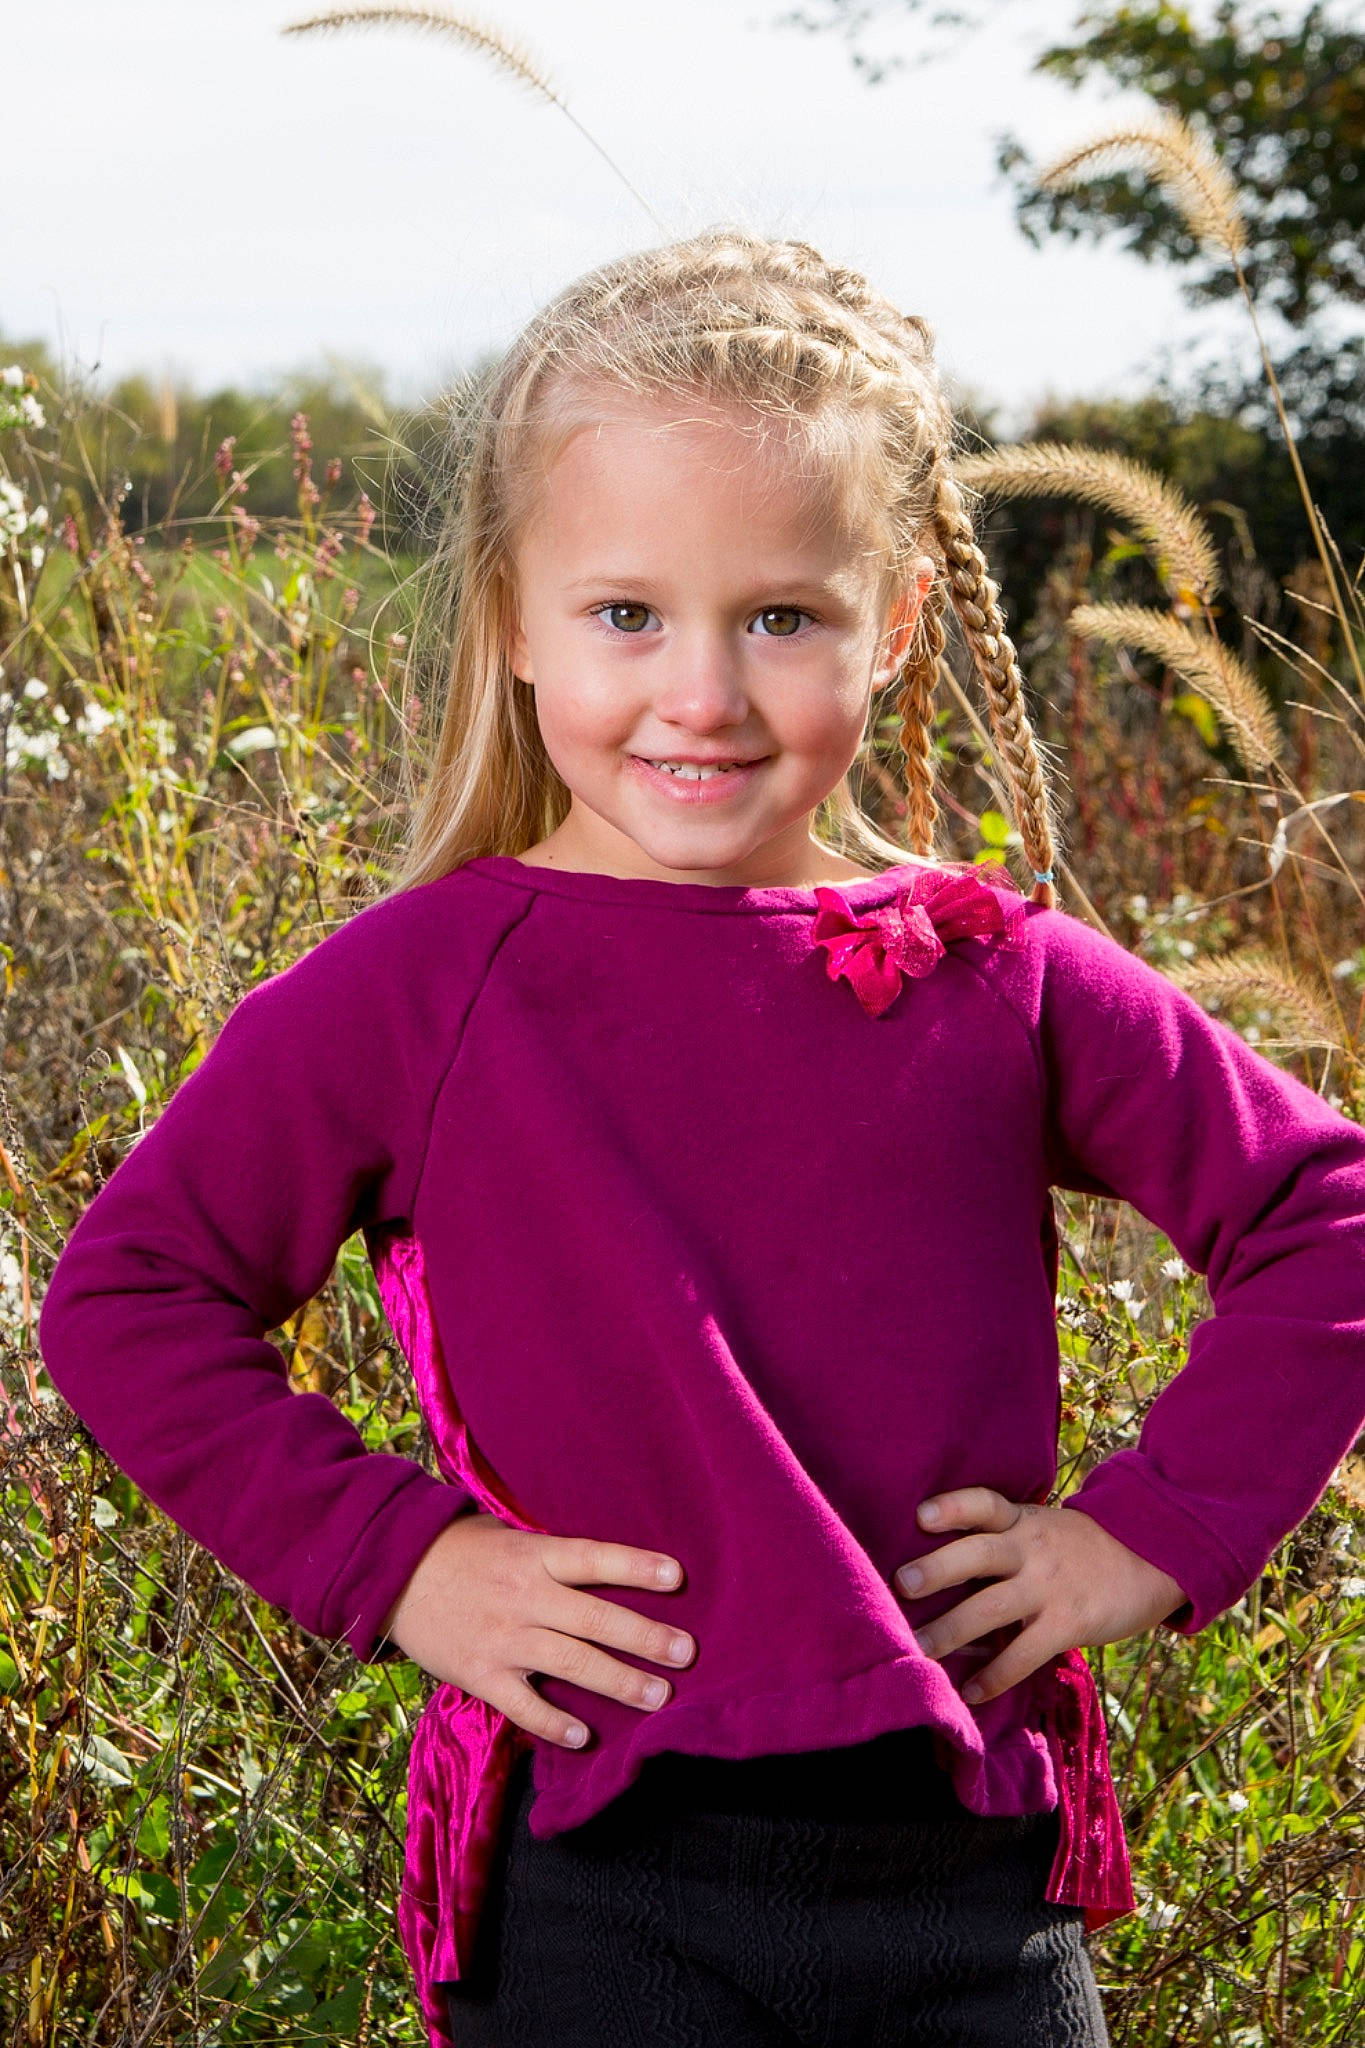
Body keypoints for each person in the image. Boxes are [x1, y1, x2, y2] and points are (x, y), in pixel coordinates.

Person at [37, 229, 1365, 2048]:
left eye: (782, 617)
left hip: (963, 1879)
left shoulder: (997, 975)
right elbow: (133, 1295)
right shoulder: (423, 986)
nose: (703, 692)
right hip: (595, 1877)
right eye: (625, 613)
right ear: (512, 615)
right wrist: (402, 1561)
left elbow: (1327, 1210)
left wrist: (1145, 1530)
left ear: (890, 621)